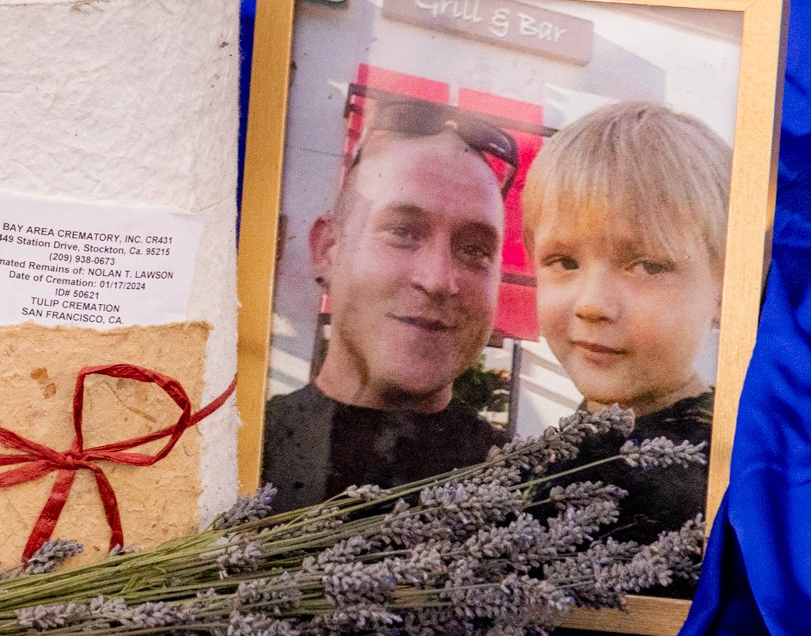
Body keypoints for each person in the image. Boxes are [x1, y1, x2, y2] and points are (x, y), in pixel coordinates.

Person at [262, 100, 518, 514]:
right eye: (402, 232)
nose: (438, 280)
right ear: (327, 249)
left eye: (474, 249)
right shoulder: (228, 455)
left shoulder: (532, 492)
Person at [522, 99, 732, 555]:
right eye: (565, 262)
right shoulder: (557, 454)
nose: (593, 304)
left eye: (647, 266)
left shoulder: (717, 481)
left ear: (725, 287)